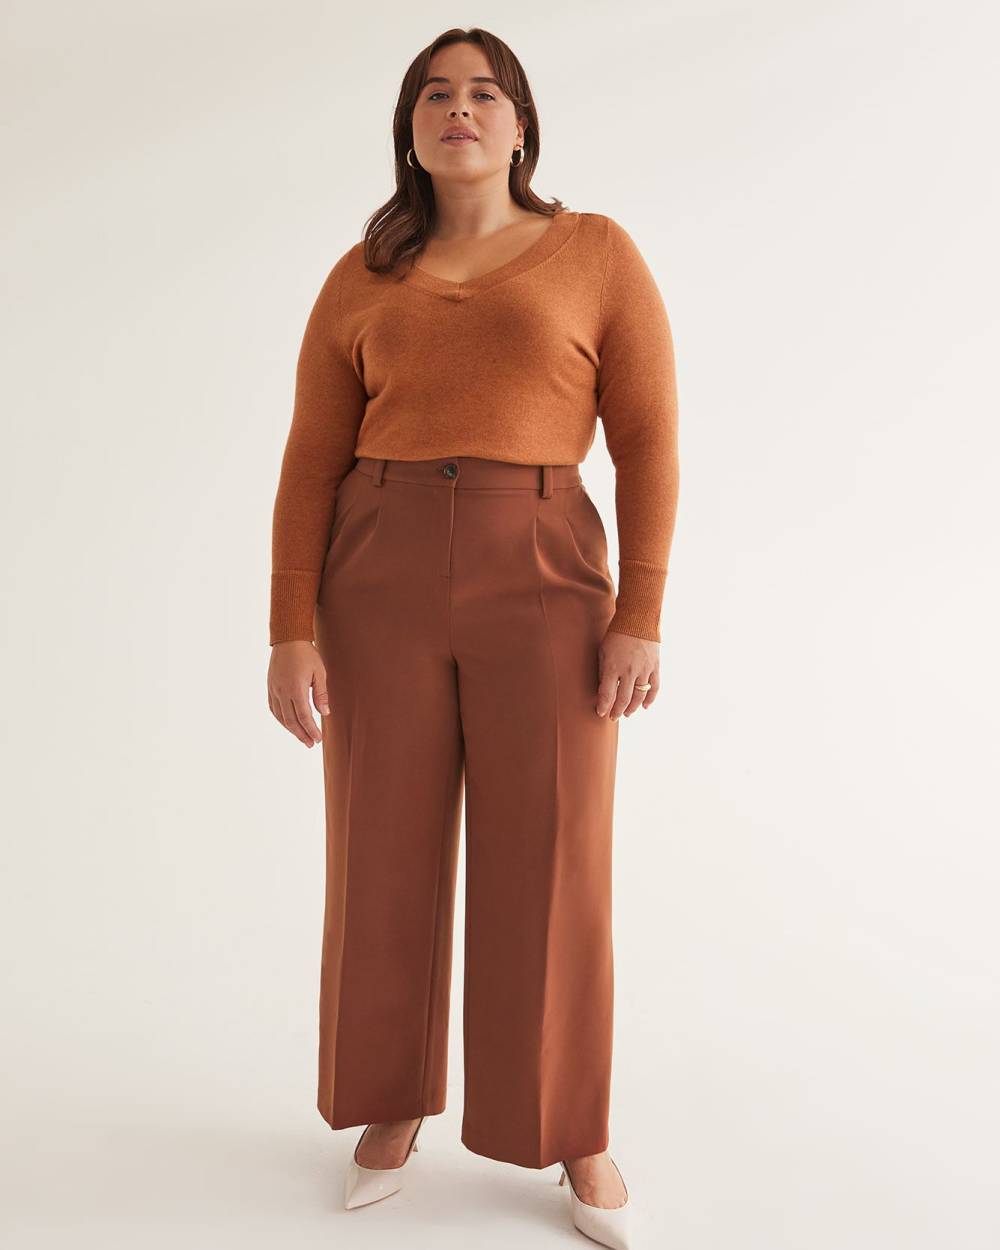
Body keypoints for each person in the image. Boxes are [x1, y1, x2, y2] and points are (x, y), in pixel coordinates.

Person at [266, 26, 679, 1250]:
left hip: (543, 566)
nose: (460, 108)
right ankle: (390, 1100)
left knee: (554, 850)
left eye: (484, 92)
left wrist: (640, 612)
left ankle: (569, 1126)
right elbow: (309, 458)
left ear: (520, 125)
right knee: (379, 842)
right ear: (409, 128)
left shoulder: (594, 252)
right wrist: (289, 626)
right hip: (377, 567)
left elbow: (648, 438)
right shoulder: (362, 274)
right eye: (436, 94)